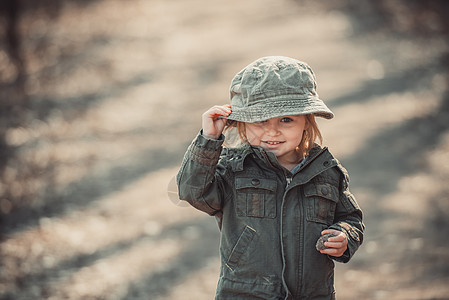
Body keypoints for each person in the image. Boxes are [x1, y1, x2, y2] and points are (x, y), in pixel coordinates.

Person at [176, 56, 364, 299]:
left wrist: (344, 235)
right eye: (260, 120)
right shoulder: (234, 168)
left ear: (307, 121)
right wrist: (208, 140)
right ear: (243, 123)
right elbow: (193, 192)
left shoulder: (326, 171)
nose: (272, 131)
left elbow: (350, 217)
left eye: (286, 120)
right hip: (245, 292)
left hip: (313, 293)